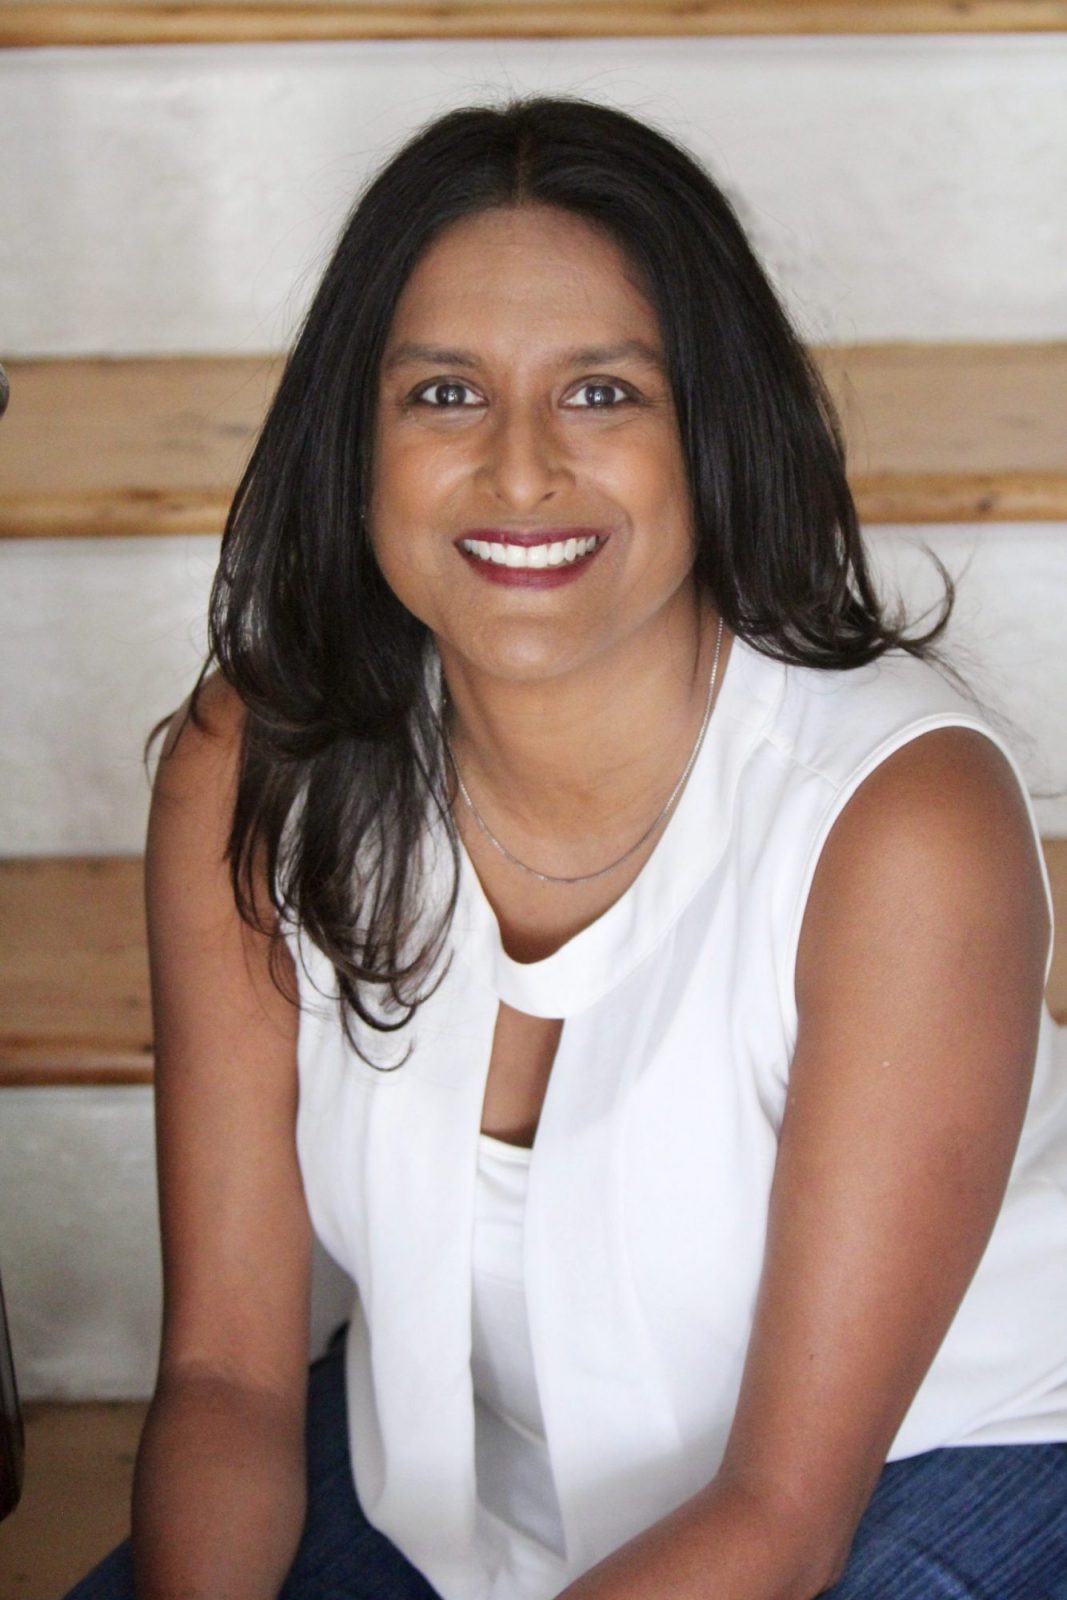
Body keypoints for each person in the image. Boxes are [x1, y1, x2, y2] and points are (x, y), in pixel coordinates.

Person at [68, 97, 1067, 1600]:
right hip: (469, 1458)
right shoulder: (254, 766)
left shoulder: (900, 829)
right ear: (360, 439)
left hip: (922, 1469)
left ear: (709, 432)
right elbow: (231, 1379)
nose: (522, 471)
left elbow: (779, 1521)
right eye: (446, 395)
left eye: (601, 395)